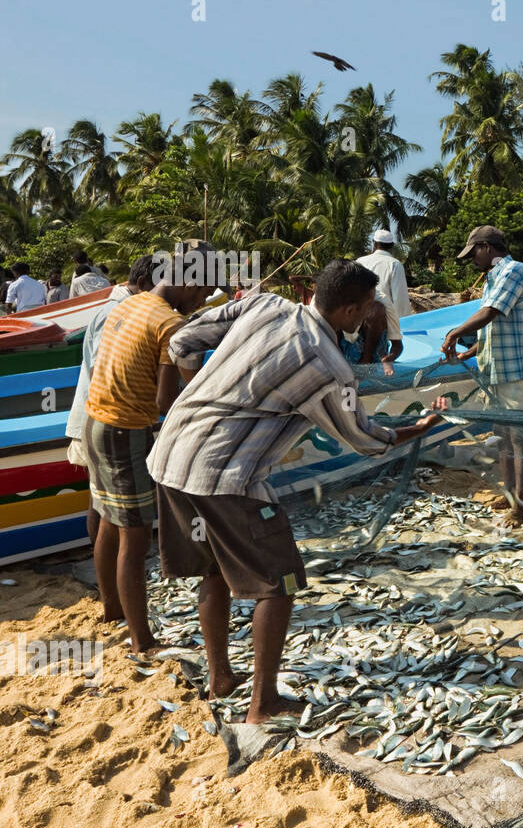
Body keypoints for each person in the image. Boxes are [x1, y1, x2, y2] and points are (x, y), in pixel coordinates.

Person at [147, 259, 439, 723]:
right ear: (347, 310)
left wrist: (196, 393)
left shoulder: (262, 304)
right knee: (279, 583)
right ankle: (263, 704)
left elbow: (182, 340)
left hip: (170, 456)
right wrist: (417, 427)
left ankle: (220, 676)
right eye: (365, 310)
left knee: (216, 570)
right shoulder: (328, 366)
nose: (367, 318)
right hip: (224, 476)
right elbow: (363, 439)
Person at [83, 241, 216, 654]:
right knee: (136, 539)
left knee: (109, 517)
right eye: (202, 293)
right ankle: (142, 640)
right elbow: (166, 401)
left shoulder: (129, 302)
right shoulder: (171, 325)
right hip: (125, 431)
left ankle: (111, 608)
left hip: (94, 422)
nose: (201, 302)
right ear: (190, 281)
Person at [67, 254, 158, 624]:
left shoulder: (121, 307)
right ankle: (120, 611)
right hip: (108, 422)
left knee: (104, 510)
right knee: (113, 519)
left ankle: (112, 604)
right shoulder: (120, 313)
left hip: (98, 420)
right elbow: (116, 376)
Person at [440, 225, 523, 527]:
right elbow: (491, 329)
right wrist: (469, 353)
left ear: (486, 247)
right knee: (502, 434)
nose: (473, 260)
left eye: (474, 253)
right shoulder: (492, 279)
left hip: (517, 368)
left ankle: (519, 506)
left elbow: (491, 313)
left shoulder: (515, 271)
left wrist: (455, 333)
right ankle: (508, 494)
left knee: (519, 436)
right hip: (496, 369)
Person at [355, 229, 410, 367]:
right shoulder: (394, 264)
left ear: (374, 244)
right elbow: (400, 299)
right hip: (380, 322)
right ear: (391, 246)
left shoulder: (359, 261)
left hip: (356, 318)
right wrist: (398, 325)